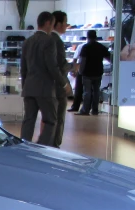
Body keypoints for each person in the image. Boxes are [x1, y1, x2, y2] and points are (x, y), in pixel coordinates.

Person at [20, 11, 66, 145]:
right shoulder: (49, 41)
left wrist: (25, 87)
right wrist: (63, 83)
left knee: (28, 120)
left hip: (29, 87)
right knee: (51, 120)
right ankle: (42, 146)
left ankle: (24, 146)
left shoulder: (27, 42)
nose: (52, 28)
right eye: (52, 24)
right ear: (47, 23)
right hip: (44, 88)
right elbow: (52, 66)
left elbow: (24, 69)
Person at [76, 30, 110, 116]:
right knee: (96, 92)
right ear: (95, 37)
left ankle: (85, 110)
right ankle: (95, 110)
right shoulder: (101, 47)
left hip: (87, 73)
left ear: (87, 37)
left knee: (87, 92)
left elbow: (83, 60)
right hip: (98, 72)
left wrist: (80, 71)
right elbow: (109, 58)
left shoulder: (85, 47)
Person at [51, 11, 70, 148]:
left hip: (47, 87)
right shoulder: (57, 41)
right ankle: (55, 145)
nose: (66, 26)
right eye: (65, 23)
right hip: (57, 87)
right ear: (57, 24)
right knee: (58, 118)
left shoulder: (45, 39)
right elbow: (59, 66)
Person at [67, 37, 87, 112]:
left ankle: (75, 106)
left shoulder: (81, 46)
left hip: (81, 69)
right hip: (92, 71)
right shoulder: (98, 46)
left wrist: (73, 70)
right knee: (91, 90)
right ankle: (91, 108)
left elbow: (75, 59)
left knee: (79, 89)